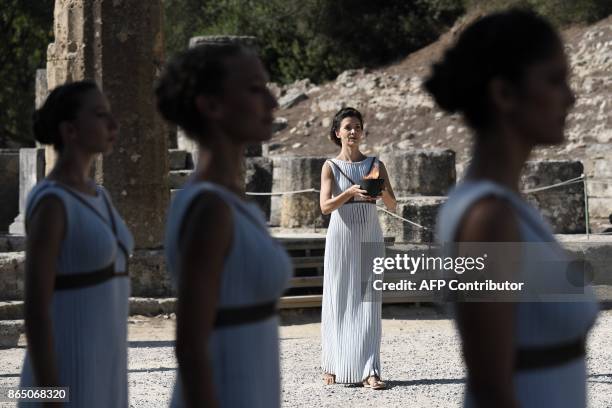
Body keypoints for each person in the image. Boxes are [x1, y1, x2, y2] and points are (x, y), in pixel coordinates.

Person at [428, 10, 599, 408]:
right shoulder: (488, 218)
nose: (571, 97)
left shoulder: (506, 206)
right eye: (555, 80)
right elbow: (490, 387)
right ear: (504, 94)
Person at [156, 44, 292, 408]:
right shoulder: (210, 208)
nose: (272, 102)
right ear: (212, 105)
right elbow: (189, 344)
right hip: (227, 386)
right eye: (254, 88)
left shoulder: (231, 199)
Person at [19, 80, 134, 407]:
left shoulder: (102, 197)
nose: (113, 124)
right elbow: (36, 311)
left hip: (107, 376)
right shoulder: (52, 203)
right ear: (70, 130)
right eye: (100, 115)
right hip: (63, 382)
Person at [319, 107, 397, 389]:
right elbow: (325, 206)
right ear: (337, 133)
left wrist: (381, 187)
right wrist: (350, 192)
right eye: (348, 127)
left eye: (358, 127)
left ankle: (369, 369)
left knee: (368, 300)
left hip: (369, 235)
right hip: (341, 236)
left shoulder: (375, 163)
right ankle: (332, 363)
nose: (354, 131)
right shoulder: (330, 166)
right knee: (338, 297)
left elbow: (391, 204)